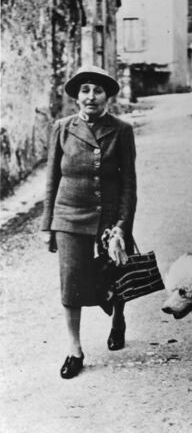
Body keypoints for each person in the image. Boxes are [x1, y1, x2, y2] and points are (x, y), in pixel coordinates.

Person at [41, 64, 137, 379]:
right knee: (71, 283)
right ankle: (74, 349)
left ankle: (118, 320)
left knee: (116, 274)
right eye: (85, 90)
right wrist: (47, 226)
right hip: (68, 215)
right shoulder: (62, 127)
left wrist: (122, 224)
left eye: (97, 90)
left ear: (107, 96)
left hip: (109, 218)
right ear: (76, 97)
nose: (91, 96)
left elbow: (128, 185)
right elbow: (52, 178)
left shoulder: (121, 130)